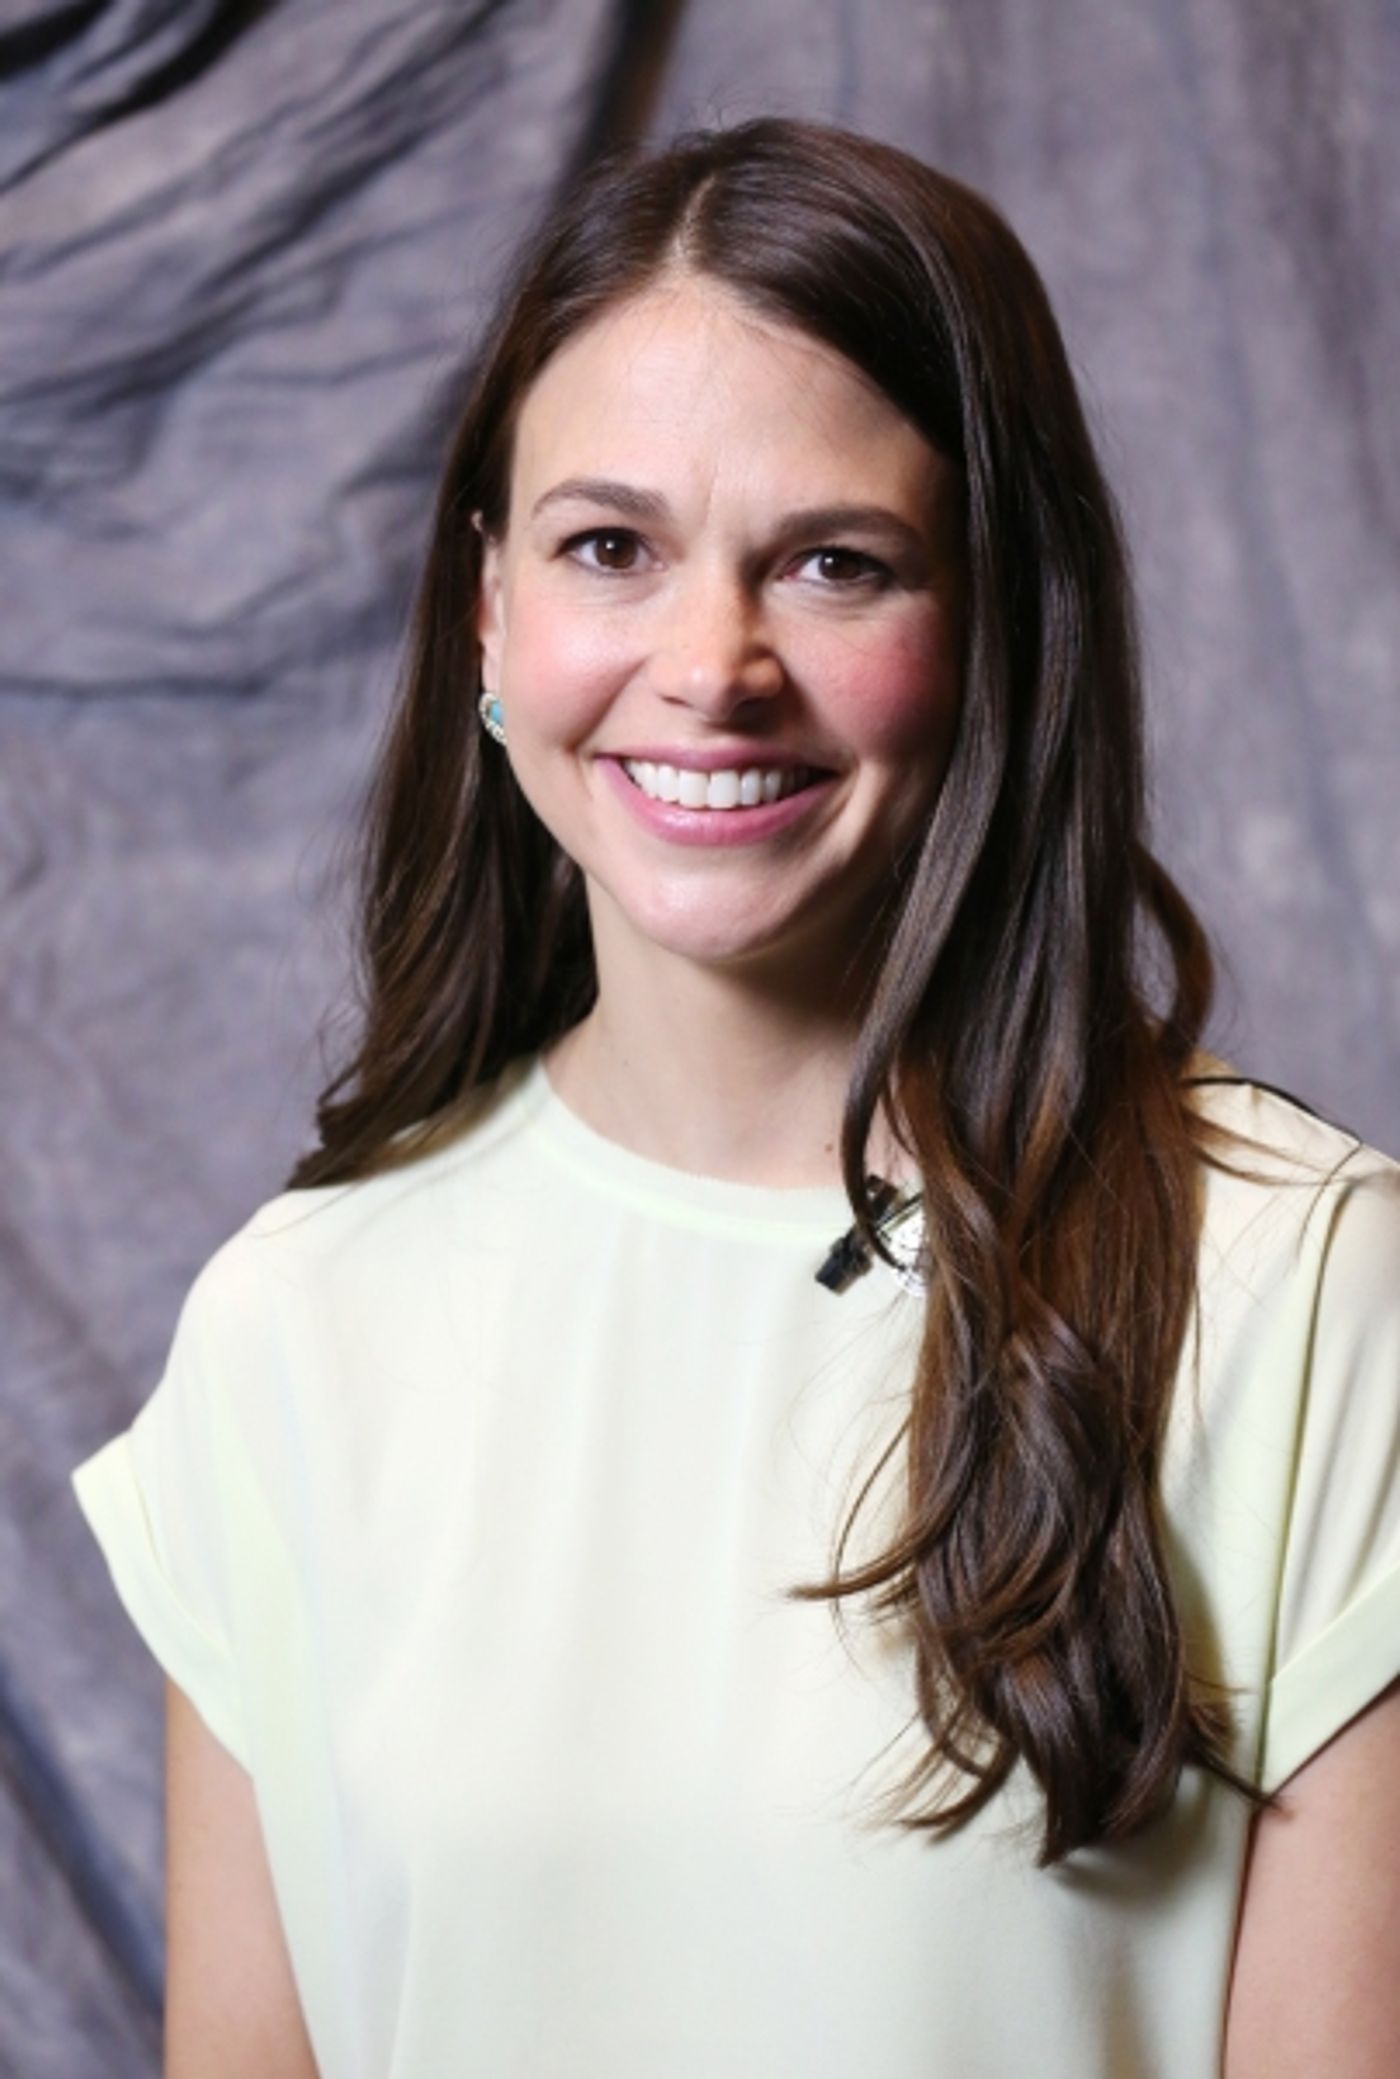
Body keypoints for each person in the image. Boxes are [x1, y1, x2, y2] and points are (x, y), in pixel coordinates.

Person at [70, 116, 1400, 2078]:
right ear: (490, 619)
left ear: (990, 632)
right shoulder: (295, 1328)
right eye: (611, 546)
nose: (712, 663)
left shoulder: (1307, 1292)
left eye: (836, 564)